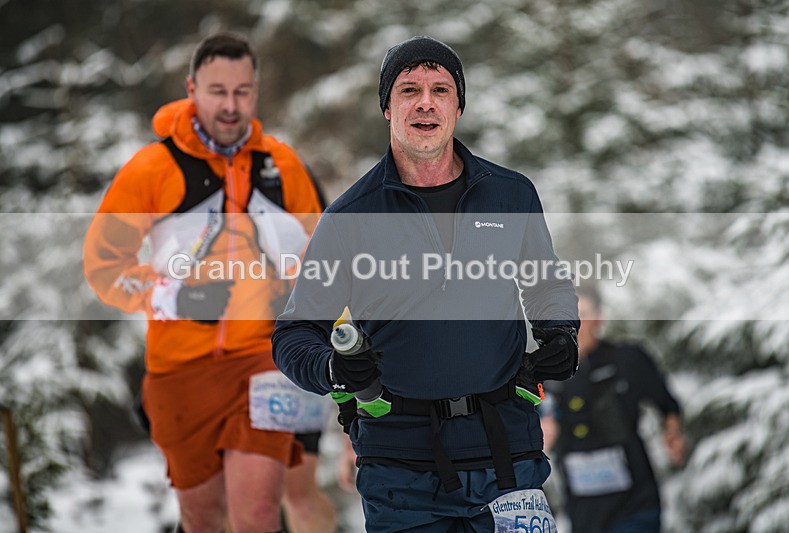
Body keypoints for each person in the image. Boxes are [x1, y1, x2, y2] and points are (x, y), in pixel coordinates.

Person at [272, 36, 580, 532]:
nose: (425, 102)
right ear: (387, 109)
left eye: (440, 89)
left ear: (458, 105)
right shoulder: (351, 217)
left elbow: (547, 283)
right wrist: (334, 368)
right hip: (400, 470)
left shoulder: (510, 194)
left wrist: (560, 333)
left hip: (508, 456)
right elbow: (294, 334)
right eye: (409, 89)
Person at [83, 32, 335, 533]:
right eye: (217, 90)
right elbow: (103, 267)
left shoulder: (282, 165)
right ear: (191, 88)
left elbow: (324, 257)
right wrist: (175, 295)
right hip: (179, 370)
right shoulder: (151, 169)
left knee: (260, 511)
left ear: (255, 92)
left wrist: (300, 291)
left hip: (264, 359)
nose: (230, 105)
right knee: (203, 519)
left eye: (242, 91)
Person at [540, 284, 687, 533]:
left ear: (599, 318)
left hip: (634, 506)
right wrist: (540, 435)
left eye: (582, 315)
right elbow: (528, 426)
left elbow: (668, 405)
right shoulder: (546, 375)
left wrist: (672, 434)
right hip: (583, 513)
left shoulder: (628, 359)